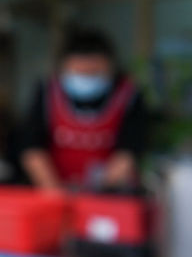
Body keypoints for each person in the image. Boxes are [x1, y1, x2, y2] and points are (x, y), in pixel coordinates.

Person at [19, 27, 147, 191]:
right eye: (80, 71)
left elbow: (131, 149)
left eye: (93, 72)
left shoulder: (128, 94)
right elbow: (31, 147)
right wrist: (53, 190)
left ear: (110, 66)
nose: (86, 77)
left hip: (111, 193)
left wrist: (99, 190)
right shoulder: (47, 92)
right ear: (64, 67)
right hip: (56, 190)